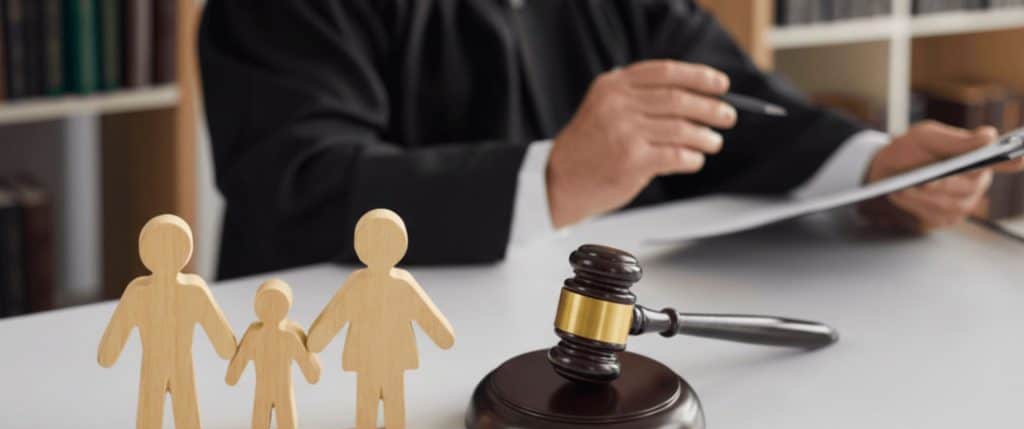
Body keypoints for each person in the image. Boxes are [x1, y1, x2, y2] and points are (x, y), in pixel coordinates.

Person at [199, 0, 1024, 279]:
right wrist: (553, 180)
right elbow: (300, 185)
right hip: (348, 380)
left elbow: (727, 103)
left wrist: (874, 167)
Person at [306, 210, 455, 429]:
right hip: (378, 354)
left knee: (385, 389)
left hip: (381, 354)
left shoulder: (387, 284)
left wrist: (316, 341)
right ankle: (374, 427)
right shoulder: (365, 285)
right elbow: (335, 316)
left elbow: (427, 316)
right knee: (375, 390)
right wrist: (443, 337)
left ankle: (379, 427)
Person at [98, 215, 237, 429]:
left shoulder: (147, 293)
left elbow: (114, 338)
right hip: (170, 363)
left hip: (167, 363)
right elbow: (222, 340)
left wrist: (109, 355)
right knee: (176, 426)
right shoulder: (158, 292)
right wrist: (228, 349)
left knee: (172, 428)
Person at [226, 279, 321, 429]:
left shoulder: (286, 334)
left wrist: (232, 377)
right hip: (269, 387)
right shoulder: (260, 335)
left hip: (276, 387)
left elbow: (306, 361)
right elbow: (309, 366)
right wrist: (312, 373)